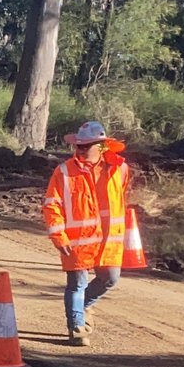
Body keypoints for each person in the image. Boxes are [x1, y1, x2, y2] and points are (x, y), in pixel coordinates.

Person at [42, 120, 131, 346]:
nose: (79, 150)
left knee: (110, 278)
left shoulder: (119, 169)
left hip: (108, 241)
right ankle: (77, 327)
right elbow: (52, 205)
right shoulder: (63, 171)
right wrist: (58, 235)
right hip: (76, 241)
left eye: (85, 146)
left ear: (101, 146)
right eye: (77, 146)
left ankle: (82, 307)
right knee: (76, 284)